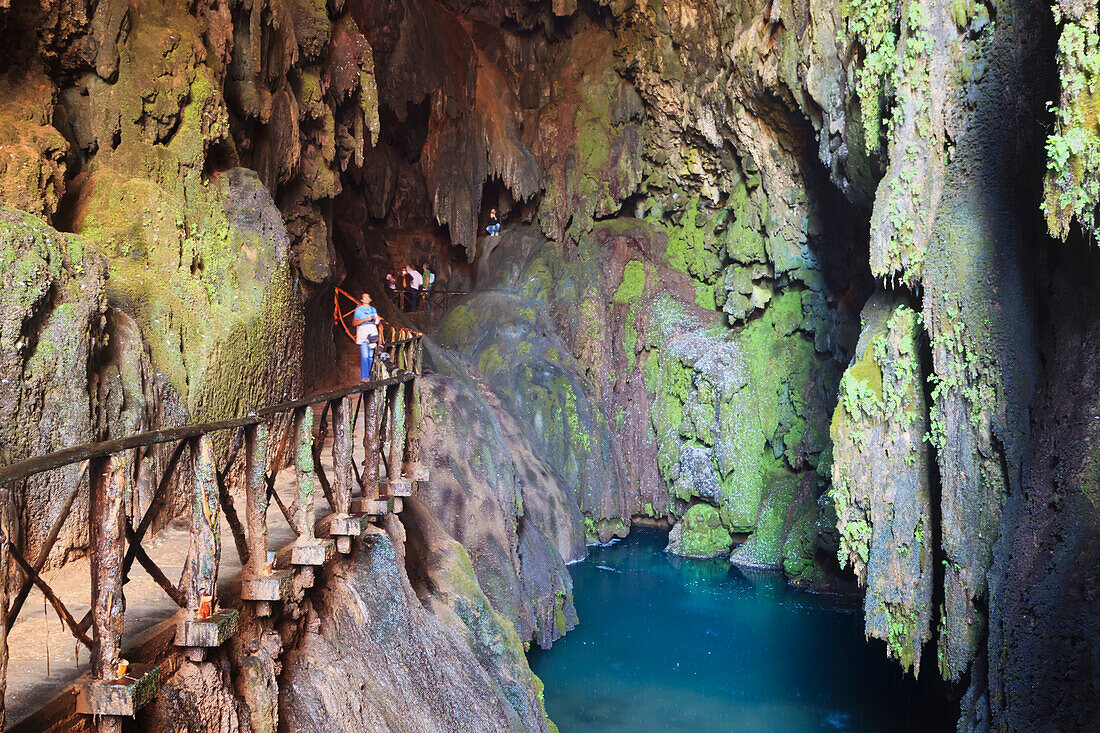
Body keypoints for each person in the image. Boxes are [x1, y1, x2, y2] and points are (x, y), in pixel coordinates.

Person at [352, 292, 381, 381]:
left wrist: (376, 319)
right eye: (364, 297)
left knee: (370, 357)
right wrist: (365, 319)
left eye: (368, 297)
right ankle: (364, 377)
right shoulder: (358, 310)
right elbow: (354, 323)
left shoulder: (373, 309)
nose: (366, 299)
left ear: (370, 299)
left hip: (372, 332)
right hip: (363, 333)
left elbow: (377, 321)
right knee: (364, 356)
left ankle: (368, 375)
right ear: (362, 300)